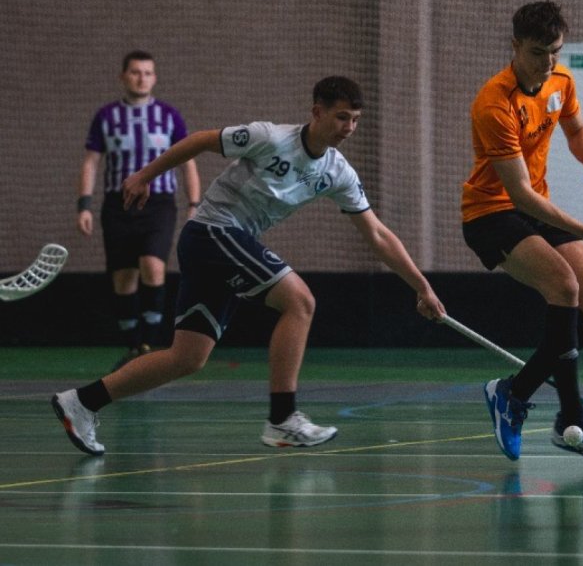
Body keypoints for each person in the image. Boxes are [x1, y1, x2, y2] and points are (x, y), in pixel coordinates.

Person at [53, 76, 445, 456]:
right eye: (342, 117)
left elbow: (377, 234)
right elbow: (201, 140)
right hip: (212, 231)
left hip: (223, 244)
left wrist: (421, 287)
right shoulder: (270, 137)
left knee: (187, 357)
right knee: (300, 302)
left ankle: (82, 402)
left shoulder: (337, 172)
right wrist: (144, 175)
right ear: (317, 112)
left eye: (356, 119)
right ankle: (282, 419)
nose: (350, 128)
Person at [462, 0, 583, 463]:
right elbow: (518, 195)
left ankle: (514, 393)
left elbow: (576, 130)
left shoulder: (561, 81)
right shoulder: (494, 104)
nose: (548, 62)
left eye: (556, 51)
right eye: (538, 53)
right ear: (515, 46)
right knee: (565, 287)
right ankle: (572, 417)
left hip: (534, 209)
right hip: (490, 215)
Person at [78, 50, 201, 369]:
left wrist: (194, 203)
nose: (141, 78)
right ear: (123, 76)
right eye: (135, 72)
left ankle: (150, 344)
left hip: (158, 205)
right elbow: (91, 162)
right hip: (118, 205)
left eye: (147, 73)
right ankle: (133, 347)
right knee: (124, 279)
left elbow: (187, 163)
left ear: (154, 78)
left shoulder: (169, 115)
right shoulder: (106, 117)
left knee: (153, 266)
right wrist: (84, 205)